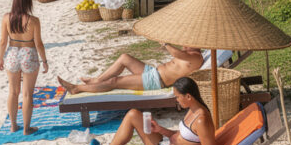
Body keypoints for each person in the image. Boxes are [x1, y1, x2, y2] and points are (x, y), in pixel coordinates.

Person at [47, 77, 217, 145]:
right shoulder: (192, 110)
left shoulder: (201, 120)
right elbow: (184, 136)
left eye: (178, 97)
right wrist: (161, 130)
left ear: (188, 96)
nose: (176, 100)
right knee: (133, 114)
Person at [0, 0, 48, 134]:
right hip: (29, 54)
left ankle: (13, 126)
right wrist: (44, 60)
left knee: (13, 92)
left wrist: (1, 58)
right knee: (27, 94)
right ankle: (27, 128)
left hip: (12, 54)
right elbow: (39, 44)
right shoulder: (33, 21)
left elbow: (3, 41)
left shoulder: (6, 18)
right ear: (28, 3)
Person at [57, 44, 204, 94]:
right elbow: (180, 53)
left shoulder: (196, 57)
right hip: (153, 72)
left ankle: (77, 88)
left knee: (115, 81)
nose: (184, 44)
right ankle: (96, 80)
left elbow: (176, 53)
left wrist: (165, 43)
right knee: (124, 58)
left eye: (187, 42)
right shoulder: (189, 54)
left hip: (157, 81)